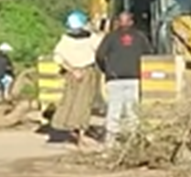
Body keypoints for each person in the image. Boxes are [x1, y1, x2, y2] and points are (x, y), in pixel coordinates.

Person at [95, 11, 153, 146]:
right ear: (131, 22)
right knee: (132, 110)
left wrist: (107, 70)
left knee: (114, 110)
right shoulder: (140, 37)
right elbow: (149, 55)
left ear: (118, 22)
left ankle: (110, 141)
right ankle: (132, 140)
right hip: (134, 78)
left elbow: (99, 56)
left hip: (114, 79)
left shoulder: (110, 37)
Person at [50, 10, 103, 147]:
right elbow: (101, 49)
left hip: (71, 73)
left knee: (69, 100)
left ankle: (65, 128)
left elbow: (58, 58)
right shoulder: (92, 38)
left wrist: (72, 70)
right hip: (87, 72)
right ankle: (80, 133)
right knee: (84, 103)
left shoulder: (65, 39)